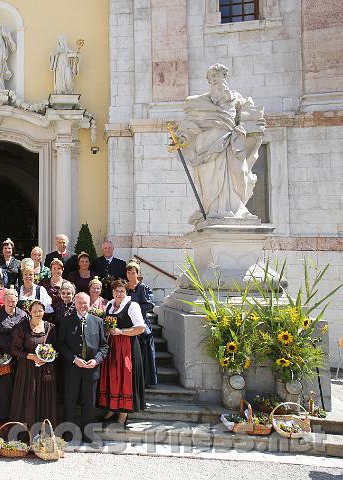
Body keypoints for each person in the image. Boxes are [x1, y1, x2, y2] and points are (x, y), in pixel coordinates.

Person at [177, 63, 266, 224]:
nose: (216, 81)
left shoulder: (237, 98)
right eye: (213, 78)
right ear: (209, 82)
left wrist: (255, 123)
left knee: (237, 173)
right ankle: (213, 209)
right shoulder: (203, 101)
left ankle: (236, 208)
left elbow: (248, 116)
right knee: (212, 177)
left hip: (232, 143)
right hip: (209, 147)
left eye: (219, 77)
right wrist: (182, 137)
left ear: (225, 77)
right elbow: (189, 121)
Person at [58, 292, 108, 443]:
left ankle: (87, 433)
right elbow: (60, 345)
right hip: (72, 369)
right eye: (79, 302)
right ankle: (68, 433)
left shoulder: (98, 321)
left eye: (85, 302)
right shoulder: (66, 321)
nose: (83, 305)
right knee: (70, 401)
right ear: (74, 303)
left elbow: (104, 346)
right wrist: (74, 359)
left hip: (91, 369)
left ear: (89, 303)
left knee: (89, 403)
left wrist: (96, 360)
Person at [98, 280, 147, 426]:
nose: (119, 294)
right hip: (111, 346)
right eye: (116, 291)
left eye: (122, 291)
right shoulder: (109, 305)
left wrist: (121, 332)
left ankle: (123, 412)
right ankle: (112, 408)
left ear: (126, 292)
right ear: (112, 292)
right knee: (112, 376)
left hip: (127, 347)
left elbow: (140, 328)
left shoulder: (132, 305)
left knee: (125, 377)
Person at [9, 299, 57, 427]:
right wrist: (31, 357)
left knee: (43, 400)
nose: (37, 313)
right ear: (29, 312)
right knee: (29, 399)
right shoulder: (22, 328)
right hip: (27, 370)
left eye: (40, 310)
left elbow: (55, 348)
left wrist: (48, 357)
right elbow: (14, 349)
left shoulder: (50, 327)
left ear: (44, 311)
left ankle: (43, 431)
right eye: (34, 311)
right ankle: (26, 431)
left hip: (45, 369)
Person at [0, 288, 28, 421]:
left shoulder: (23, 315)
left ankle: (17, 415)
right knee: (1, 388)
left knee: (18, 386)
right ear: (3, 300)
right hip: (1, 357)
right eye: (8, 300)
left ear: (17, 300)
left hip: (19, 357)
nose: (10, 303)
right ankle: (2, 417)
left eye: (13, 300)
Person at [125, 261, 157, 387]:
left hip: (141, 323)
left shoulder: (142, 287)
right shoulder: (126, 287)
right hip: (128, 324)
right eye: (128, 272)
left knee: (144, 352)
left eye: (133, 273)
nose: (131, 275)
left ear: (138, 274)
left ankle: (145, 380)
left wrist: (134, 307)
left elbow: (150, 305)